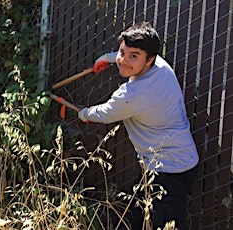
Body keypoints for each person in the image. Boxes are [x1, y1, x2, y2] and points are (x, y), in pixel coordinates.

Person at [78, 22, 199, 229]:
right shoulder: (159, 66)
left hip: (170, 170)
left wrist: (83, 113)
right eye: (122, 52)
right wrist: (107, 58)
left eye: (133, 56)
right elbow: (129, 54)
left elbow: (105, 113)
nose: (123, 60)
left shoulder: (133, 94)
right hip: (177, 161)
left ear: (149, 59)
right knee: (132, 218)